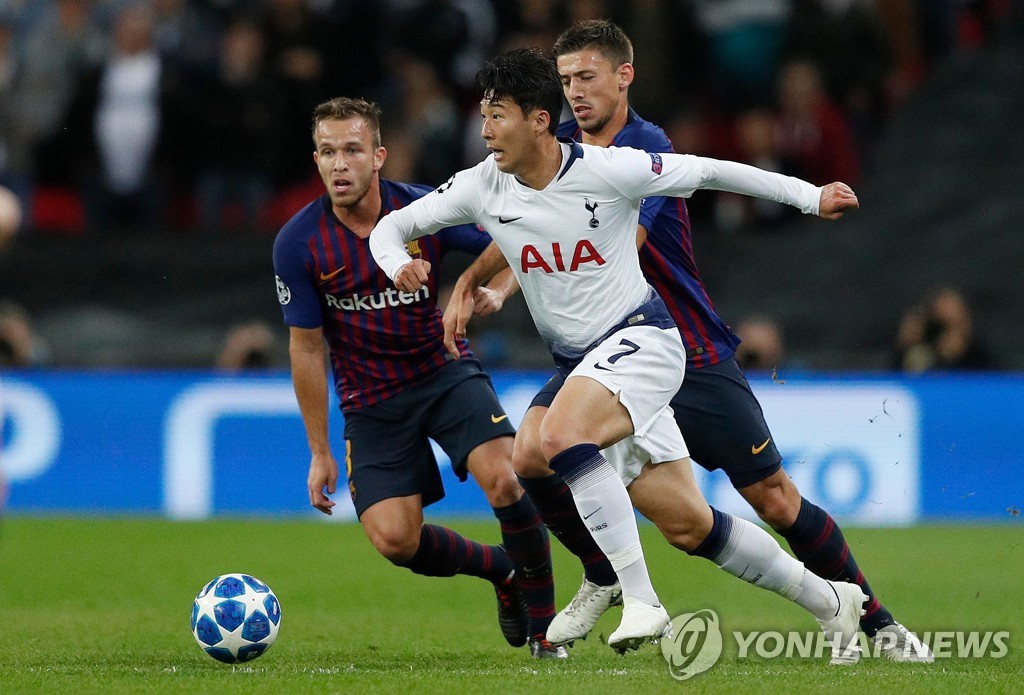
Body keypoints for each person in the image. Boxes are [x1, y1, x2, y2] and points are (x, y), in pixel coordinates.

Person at [444, 21, 931, 663]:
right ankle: (604, 575)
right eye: (565, 81)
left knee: (774, 499)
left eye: (587, 77)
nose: (575, 93)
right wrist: (478, 280)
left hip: (686, 349)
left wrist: (507, 280)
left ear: (625, 76)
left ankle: (880, 625)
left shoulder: (643, 148)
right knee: (573, 472)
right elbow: (523, 226)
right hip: (601, 359)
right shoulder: (552, 152)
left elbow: (614, 243)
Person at [272, 97, 562, 659]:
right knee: (395, 540)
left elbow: (516, 240)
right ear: (316, 161)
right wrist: (319, 450)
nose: (339, 164)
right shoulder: (298, 243)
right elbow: (305, 348)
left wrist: (495, 289)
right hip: (372, 401)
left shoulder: (426, 209)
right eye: (328, 152)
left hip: (442, 370)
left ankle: (546, 632)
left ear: (378, 156)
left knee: (506, 478)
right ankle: (502, 570)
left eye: (352, 150)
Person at [894, 285, 993, 372]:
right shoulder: (917, 350)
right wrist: (904, 348)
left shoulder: (980, 358)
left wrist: (955, 357)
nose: (945, 333)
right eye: (940, 324)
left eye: (954, 323)